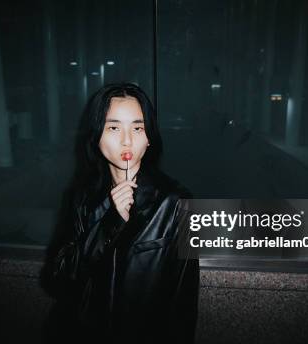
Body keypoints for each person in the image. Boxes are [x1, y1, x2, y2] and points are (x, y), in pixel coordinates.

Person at [39, 83, 199, 344]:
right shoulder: (81, 197)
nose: (127, 140)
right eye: (114, 127)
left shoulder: (177, 202)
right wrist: (107, 223)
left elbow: (183, 300)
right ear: (97, 136)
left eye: (137, 128)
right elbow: (57, 280)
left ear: (149, 138)